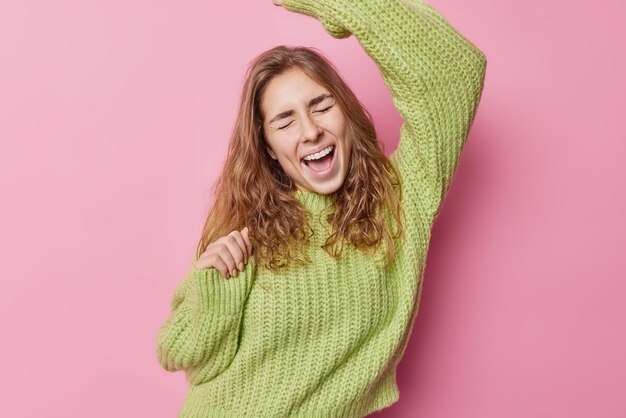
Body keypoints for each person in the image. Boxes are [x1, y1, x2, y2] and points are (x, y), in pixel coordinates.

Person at [155, 0, 487, 416]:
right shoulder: (247, 231)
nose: (310, 131)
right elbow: (180, 353)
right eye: (285, 121)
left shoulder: (401, 203)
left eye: (321, 106)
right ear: (269, 148)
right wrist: (212, 291)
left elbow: (455, 71)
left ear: (346, 114)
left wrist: (344, 5)